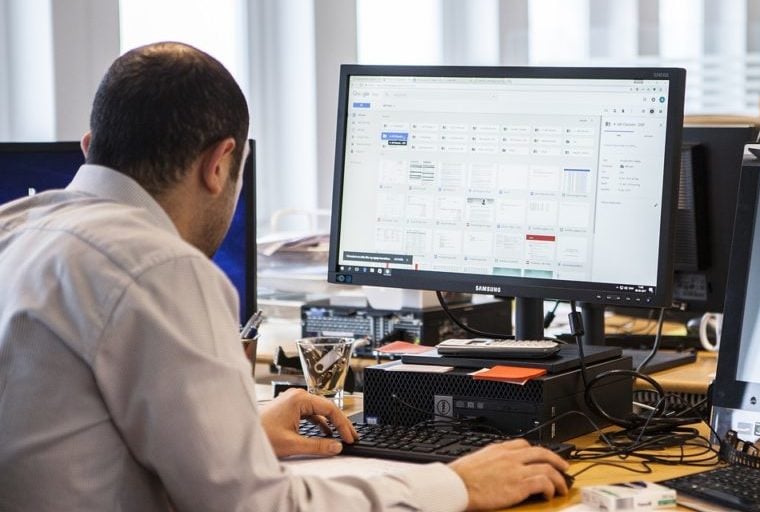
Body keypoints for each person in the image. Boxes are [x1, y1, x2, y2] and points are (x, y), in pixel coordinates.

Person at [0, 42, 568, 511]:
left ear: (90, 148)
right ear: (219, 164)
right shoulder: (159, 266)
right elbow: (256, 505)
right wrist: (455, 486)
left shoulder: (15, 228)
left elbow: (79, 436)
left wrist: (241, 433)